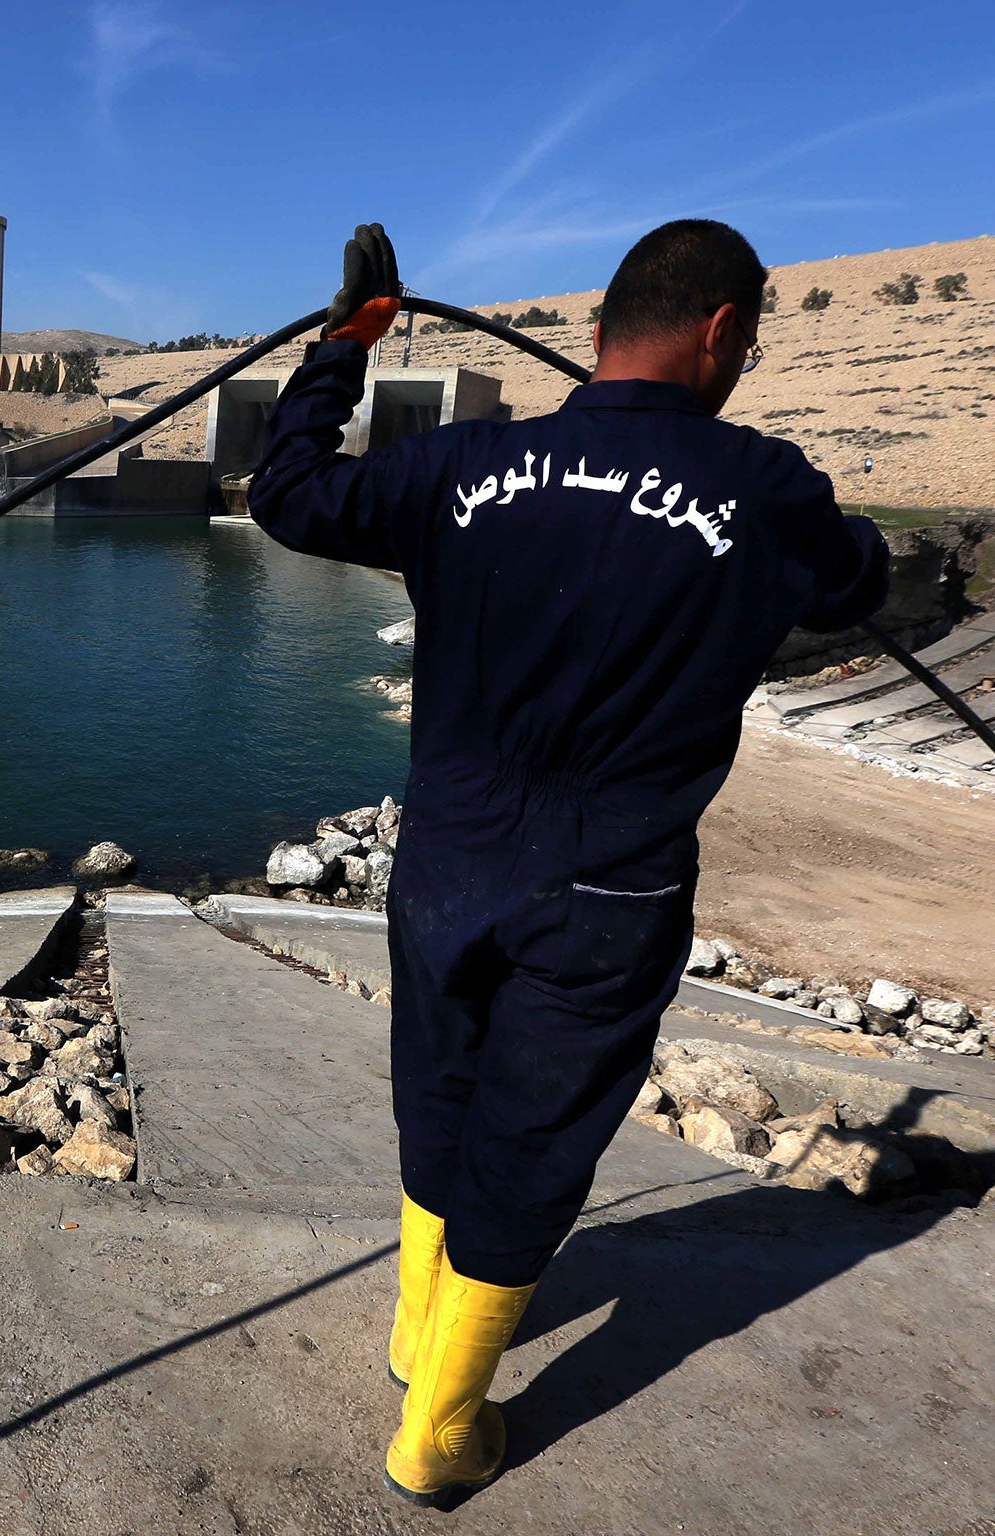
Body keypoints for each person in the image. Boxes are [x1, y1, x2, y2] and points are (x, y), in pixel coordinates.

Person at [246, 220, 889, 1508]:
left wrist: (344, 349)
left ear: (597, 327)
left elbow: (290, 492)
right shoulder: (764, 485)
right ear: (720, 329)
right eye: (749, 337)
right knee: (531, 1144)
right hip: (610, 888)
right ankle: (437, 1429)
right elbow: (857, 587)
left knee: (441, 1089)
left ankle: (411, 1333)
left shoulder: (464, 464)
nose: (746, 356)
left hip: (445, 863)